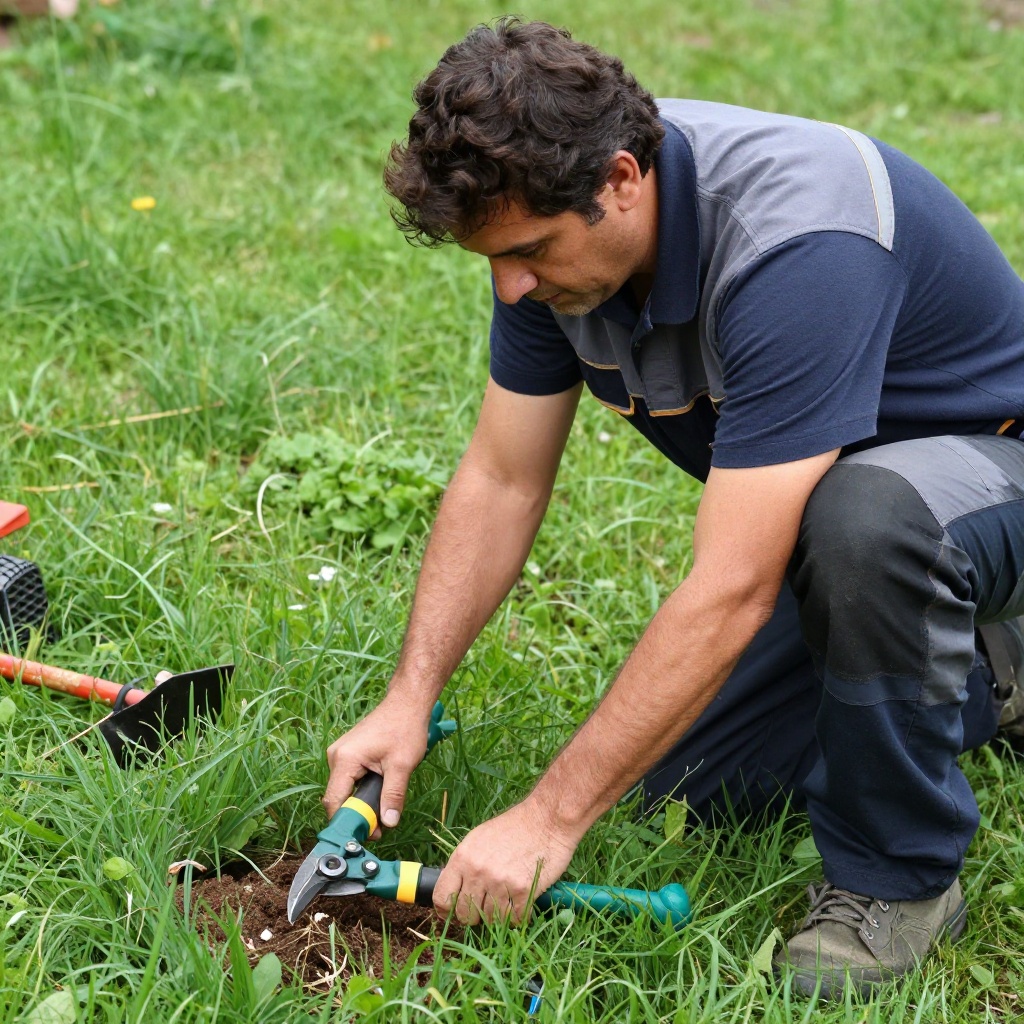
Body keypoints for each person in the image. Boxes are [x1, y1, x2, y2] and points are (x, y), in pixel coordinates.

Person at [320, 17, 1024, 999]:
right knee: (694, 793)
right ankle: (992, 664)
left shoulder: (797, 243)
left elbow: (732, 587)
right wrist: (408, 695)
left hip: (993, 475)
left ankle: (898, 880)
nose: (509, 285)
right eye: (492, 258)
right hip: (843, 512)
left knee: (870, 520)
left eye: (527, 251)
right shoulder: (548, 257)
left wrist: (548, 818)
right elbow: (501, 478)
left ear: (619, 179)